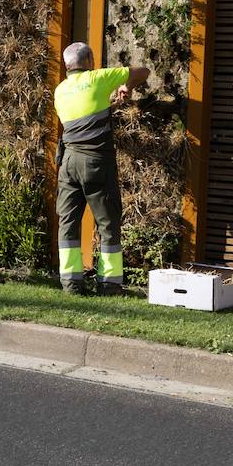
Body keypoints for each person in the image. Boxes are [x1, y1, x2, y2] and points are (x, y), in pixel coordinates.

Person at [53, 41, 150, 295]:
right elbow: (143, 72)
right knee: (108, 221)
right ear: (89, 61)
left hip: (68, 163)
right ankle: (108, 284)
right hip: (95, 162)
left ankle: (71, 284)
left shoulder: (60, 91)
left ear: (67, 66)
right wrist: (125, 87)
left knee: (68, 222)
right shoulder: (99, 77)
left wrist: (111, 105)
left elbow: (85, 119)